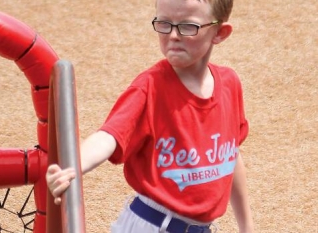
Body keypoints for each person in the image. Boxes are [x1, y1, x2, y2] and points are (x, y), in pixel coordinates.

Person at [46, 0, 254, 232]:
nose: (173, 35)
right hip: (152, 225)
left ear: (220, 33)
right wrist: (74, 165)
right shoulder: (150, 87)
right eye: (164, 23)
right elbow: (109, 136)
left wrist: (247, 226)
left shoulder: (229, 85)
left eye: (188, 26)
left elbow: (231, 155)